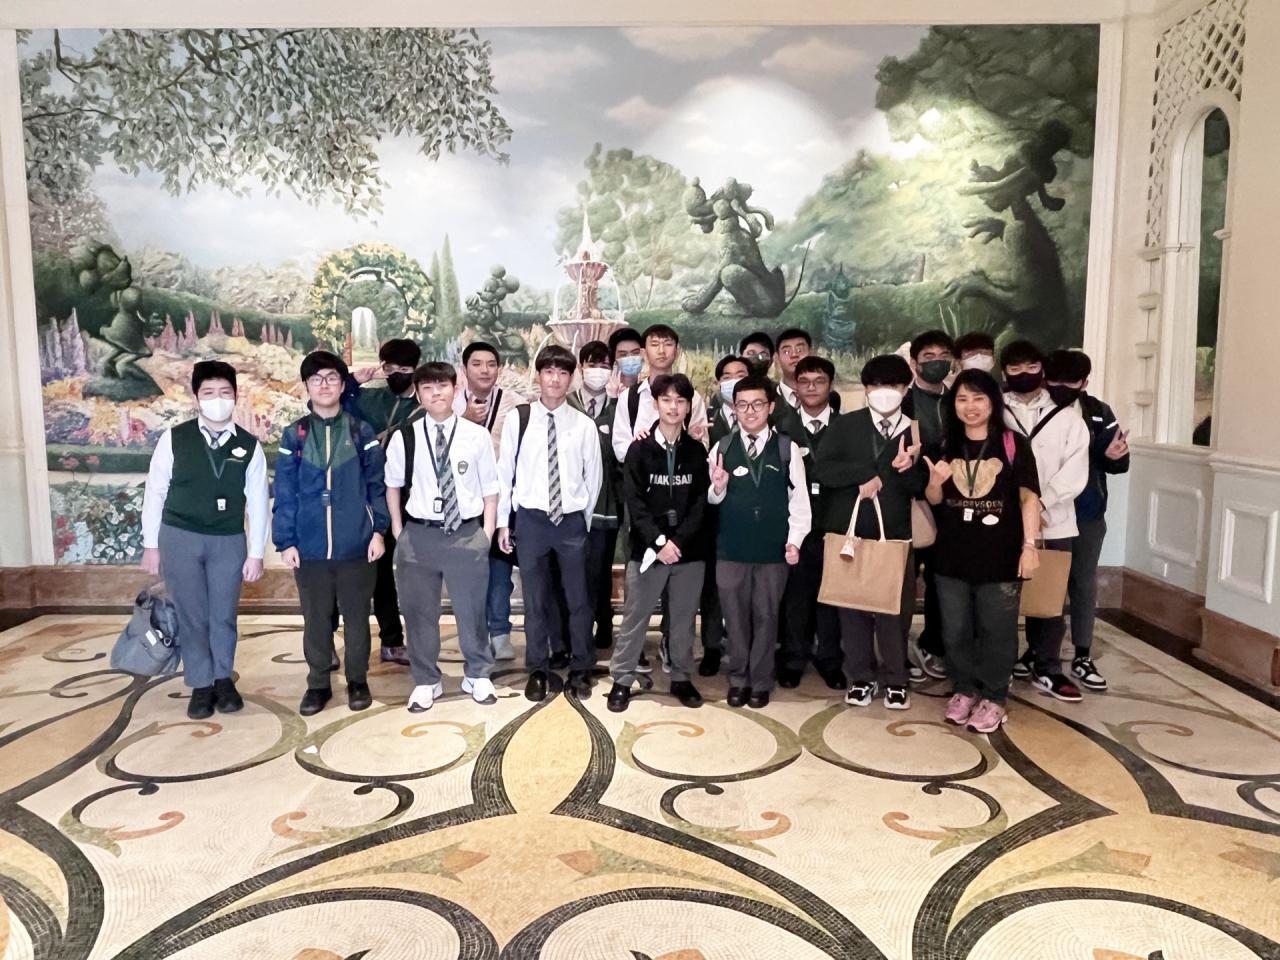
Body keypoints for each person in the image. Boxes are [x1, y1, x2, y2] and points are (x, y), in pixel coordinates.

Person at [141, 360, 269, 719]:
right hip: (180, 537)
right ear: (196, 397)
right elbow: (155, 492)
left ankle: (223, 679)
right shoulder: (175, 439)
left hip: (227, 540)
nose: (218, 400)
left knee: (223, 614)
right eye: (209, 392)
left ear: (236, 396)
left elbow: (259, 503)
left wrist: (256, 553)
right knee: (192, 614)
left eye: (225, 392)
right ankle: (200, 683)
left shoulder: (249, 446)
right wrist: (151, 545)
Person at [924, 369, 1042, 733]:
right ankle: (964, 689)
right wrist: (934, 483)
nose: (970, 406)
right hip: (951, 555)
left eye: (978, 398)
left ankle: (994, 697)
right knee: (955, 629)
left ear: (993, 402)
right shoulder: (944, 444)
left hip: (1000, 555)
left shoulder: (1012, 444)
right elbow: (934, 500)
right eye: (962, 399)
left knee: (998, 629)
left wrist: (1029, 546)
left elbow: (1029, 498)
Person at [273, 351, 389, 716]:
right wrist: (286, 541)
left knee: (357, 619)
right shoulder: (295, 434)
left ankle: (358, 680)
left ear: (342, 385)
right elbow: (285, 492)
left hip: (356, 543)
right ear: (306, 386)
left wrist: (379, 531)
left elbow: (377, 485)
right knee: (316, 620)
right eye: (316, 379)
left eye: (332, 378)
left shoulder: (360, 431)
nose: (324, 385)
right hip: (309, 547)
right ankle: (318, 683)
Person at [384, 362, 500, 711]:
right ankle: (426, 680)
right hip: (419, 535)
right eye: (428, 387)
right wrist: (398, 530)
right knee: (419, 613)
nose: (436, 393)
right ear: (419, 394)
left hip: (466, 534)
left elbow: (490, 490)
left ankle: (478, 673)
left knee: (472, 610)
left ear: (456, 388)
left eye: (443, 386)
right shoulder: (405, 437)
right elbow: (392, 486)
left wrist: (486, 534)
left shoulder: (475, 435)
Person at [817, 355, 925, 710]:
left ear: (906, 389)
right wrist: (862, 473)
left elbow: (924, 487)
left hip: (895, 535)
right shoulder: (845, 425)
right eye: (877, 385)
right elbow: (822, 470)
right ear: (865, 389)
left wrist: (908, 469)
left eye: (893, 385)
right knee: (852, 609)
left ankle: (896, 678)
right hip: (849, 533)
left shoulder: (915, 431)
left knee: (894, 611)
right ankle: (860, 677)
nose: (884, 392)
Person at [497, 345, 603, 702]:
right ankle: (538, 669)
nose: (555, 379)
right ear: (538, 376)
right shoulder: (520, 419)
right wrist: (504, 523)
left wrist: (581, 520)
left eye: (562, 373)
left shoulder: (583, 425)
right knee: (535, 601)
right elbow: (505, 473)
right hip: (531, 521)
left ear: (571, 378)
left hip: (570, 522)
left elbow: (593, 479)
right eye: (548, 372)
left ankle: (581, 667)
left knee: (578, 600)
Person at [607, 374, 710, 712]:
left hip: (688, 551)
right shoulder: (639, 450)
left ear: (689, 407)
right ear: (656, 404)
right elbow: (635, 504)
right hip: (648, 550)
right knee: (635, 618)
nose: (673, 407)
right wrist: (659, 541)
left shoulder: (696, 451)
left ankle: (681, 676)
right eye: (666, 400)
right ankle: (622, 679)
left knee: (682, 619)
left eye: (680, 401)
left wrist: (677, 541)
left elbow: (699, 504)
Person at [708, 375, 809, 708]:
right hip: (731, 550)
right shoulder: (722, 447)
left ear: (770, 406)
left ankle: (761, 681)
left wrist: (794, 541)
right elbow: (711, 499)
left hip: (772, 551)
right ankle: (738, 678)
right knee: (735, 619)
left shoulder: (786, 449)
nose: (750, 411)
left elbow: (799, 501)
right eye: (742, 405)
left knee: (767, 618)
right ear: (734, 408)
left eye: (757, 404)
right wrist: (718, 486)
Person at [1001, 340, 1090, 703]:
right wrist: (1019, 508)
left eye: (1031, 367)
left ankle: (1047, 666)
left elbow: (1075, 470)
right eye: (1015, 368)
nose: (1024, 374)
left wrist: (1040, 503)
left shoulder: (1068, 418)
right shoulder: (996, 411)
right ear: (1004, 372)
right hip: (1002, 521)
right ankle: (1001, 664)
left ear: (1042, 370)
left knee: (1049, 597)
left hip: (1055, 521)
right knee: (1001, 596)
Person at [1043, 349, 1130, 692]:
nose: (1061, 388)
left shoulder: (1097, 412)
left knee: (1082, 582)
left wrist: (1112, 456)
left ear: (1084, 383)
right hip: (1044, 512)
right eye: (1055, 380)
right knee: (1044, 582)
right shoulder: (1037, 409)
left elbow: (1119, 463)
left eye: (1071, 382)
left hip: (1087, 511)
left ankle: (1082, 653)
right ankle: (1039, 653)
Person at [348, 337, 423, 667]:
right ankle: (381, 640)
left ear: (415, 369)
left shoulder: (423, 406)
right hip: (367, 495)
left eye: (404, 368)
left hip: (407, 499)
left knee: (401, 572)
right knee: (362, 572)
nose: (396, 374)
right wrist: (353, 380)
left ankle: (406, 639)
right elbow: (327, 401)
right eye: (389, 368)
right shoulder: (370, 398)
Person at [778, 355, 845, 690]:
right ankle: (793, 659)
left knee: (832, 598)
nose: (812, 388)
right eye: (804, 382)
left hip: (836, 527)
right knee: (796, 598)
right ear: (796, 387)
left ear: (830, 385)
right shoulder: (782, 428)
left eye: (819, 381)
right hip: (796, 528)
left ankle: (830, 660)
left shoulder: (848, 428)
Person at [454, 341, 523, 663]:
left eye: (491, 364)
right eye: (477, 364)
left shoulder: (514, 404)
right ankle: (474, 634)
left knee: (499, 571)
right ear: (465, 368)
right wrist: (464, 419)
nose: (485, 370)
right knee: (468, 574)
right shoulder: (450, 402)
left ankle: (500, 632)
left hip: (500, 500)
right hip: (462, 502)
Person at [902, 329, 956, 683]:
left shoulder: (960, 400)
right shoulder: (903, 402)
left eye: (943, 356)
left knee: (942, 579)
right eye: (928, 357)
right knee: (904, 579)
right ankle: (896, 647)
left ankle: (935, 644)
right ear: (914, 362)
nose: (936, 362)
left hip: (952, 505)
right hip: (911, 502)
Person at [573, 340, 623, 649]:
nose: (598, 371)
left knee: (600, 568)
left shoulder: (620, 408)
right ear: (581, 367)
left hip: (607, 502)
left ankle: (604, 622)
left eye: (605, 365)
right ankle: (574, 627)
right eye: (593, 364)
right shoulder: (567, 404)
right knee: (573, 570)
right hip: (571, 503)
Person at [611, 324, 709, 461]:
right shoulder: (628, 397)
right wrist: (639, 447)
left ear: (677, 351)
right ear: (643, 353)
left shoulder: (692, 397)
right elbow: (620, 448)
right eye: (655, 344)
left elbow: (703, 448)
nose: (661, 351)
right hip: (640, 473)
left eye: (668, 344)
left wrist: (690, 440)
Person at [775, 328, 842, 413]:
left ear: (812, 353)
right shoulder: (768, 398)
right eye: (787, 352)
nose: (794, 355)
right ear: (777, 358)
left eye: (799, 350)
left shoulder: (831, 398)